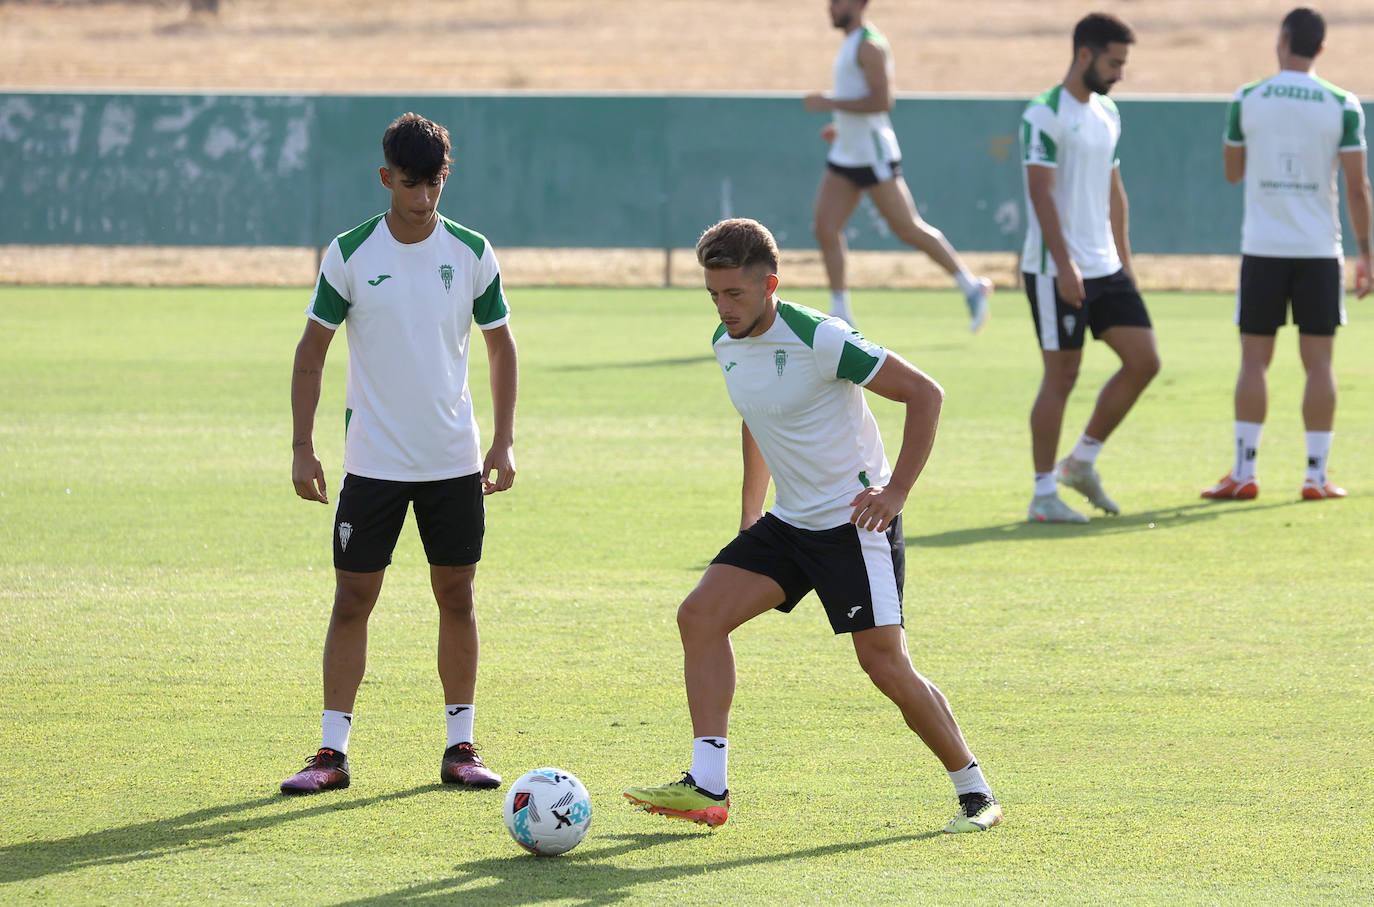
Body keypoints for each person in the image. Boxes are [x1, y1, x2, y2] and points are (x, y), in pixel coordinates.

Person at [623, 218, 1001, 835]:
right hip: (789, 523)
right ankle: (708, 785)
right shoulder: (727, 340)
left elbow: (925, 394)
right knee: (700, 615)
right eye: (713, 294)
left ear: (770, 284)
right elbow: (759, 417)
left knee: (885, 666)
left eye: (734, 294)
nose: (723, 307)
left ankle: (974, 789)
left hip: (853, 524)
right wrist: (752, 511)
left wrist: (896, 491)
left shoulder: (820, 336)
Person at [280, 112, 519, 795]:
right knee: (353, 597)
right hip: (373, 464)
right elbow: (310, 353)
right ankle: (331, 751)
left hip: (452, 461)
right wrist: (303, 447)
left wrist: (502, 439)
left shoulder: (472, 251)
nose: (423, 198)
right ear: (386, 177)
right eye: (410, 183)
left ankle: (461, 745)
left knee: (458, 596)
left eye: (435, 183)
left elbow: (502, 345)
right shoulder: (351, 253)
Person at [1202, 6, 1371, 502]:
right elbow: (1357, 189)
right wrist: (1369, 254)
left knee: (1255, 359)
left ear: (1282, 39)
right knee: (1319, 362)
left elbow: (1232, 172)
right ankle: (1316, 477)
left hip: (1264, 248)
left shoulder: (1248, 97)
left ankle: (1244, 472)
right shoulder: (1343, 104)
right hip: (1320, 249)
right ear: (1321, 48)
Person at [1019, 13, 1160, 524]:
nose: (1120, 71)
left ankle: (1080, 462)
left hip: (1105, 266)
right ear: (1085, 55)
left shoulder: (1108, 113)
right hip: (1054, 268)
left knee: (1145, 360)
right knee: (1062, 374)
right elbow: (1040, 193)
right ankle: (1042, 493)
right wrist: (1064, 264)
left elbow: (1113, 192)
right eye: (1114, 61)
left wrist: (1126, 261)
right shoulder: (1043, 114)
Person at [804, 0, 993, 331]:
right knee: (824, 227)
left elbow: (882, 101)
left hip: (873, 156)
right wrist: (841, 125)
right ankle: (840, 314)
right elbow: (860, 98)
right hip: (847, 152)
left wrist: (829, 103)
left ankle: (970, 285)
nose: (830, 7)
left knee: (908, 228)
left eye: (837, 2)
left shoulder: (869, 45)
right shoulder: (851, 42)